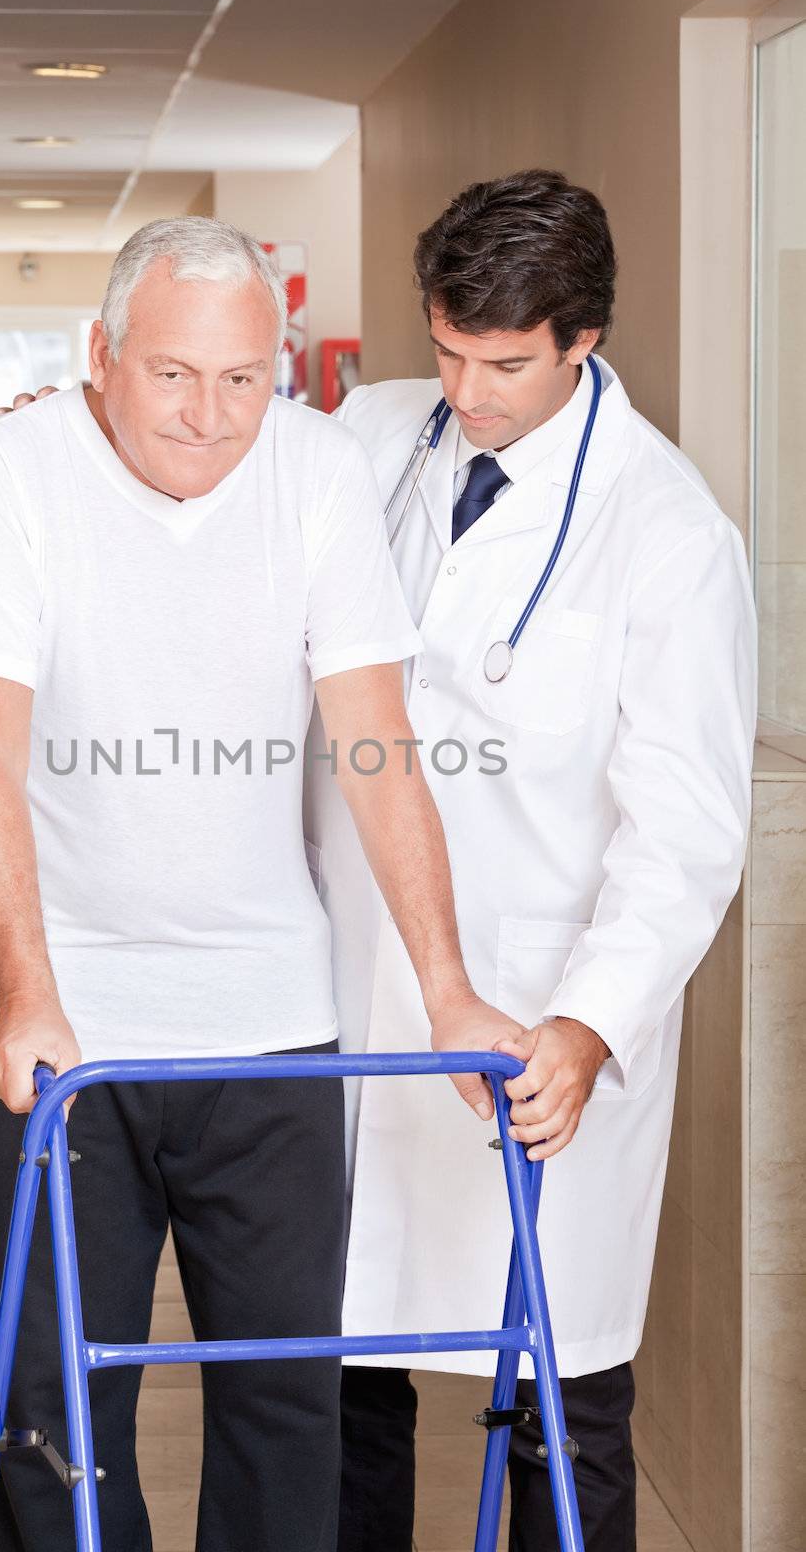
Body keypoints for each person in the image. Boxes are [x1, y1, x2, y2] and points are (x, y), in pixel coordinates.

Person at [0, 215, 521, 1552]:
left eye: (243, 379)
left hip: (268, 1024)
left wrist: (450, 990)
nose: (208, 414)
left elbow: (376, 744)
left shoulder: (314, 473)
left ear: (279, 370)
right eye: (173, 374)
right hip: (55, 1037)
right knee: (52, 1425)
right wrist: (24, 993)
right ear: (103, 353)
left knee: (284, 1407)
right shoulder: (10, 473)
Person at [316, 170, 757, 1552]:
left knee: (564, 1390)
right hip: (356, 985)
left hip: (533, 1010)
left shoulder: (671, 533)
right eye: (446, 350)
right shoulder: (374, 434)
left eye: (504, 363)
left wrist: (588, 1019)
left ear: (584, 340)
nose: (467, 390)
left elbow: (684, 827)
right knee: (346, 1376)